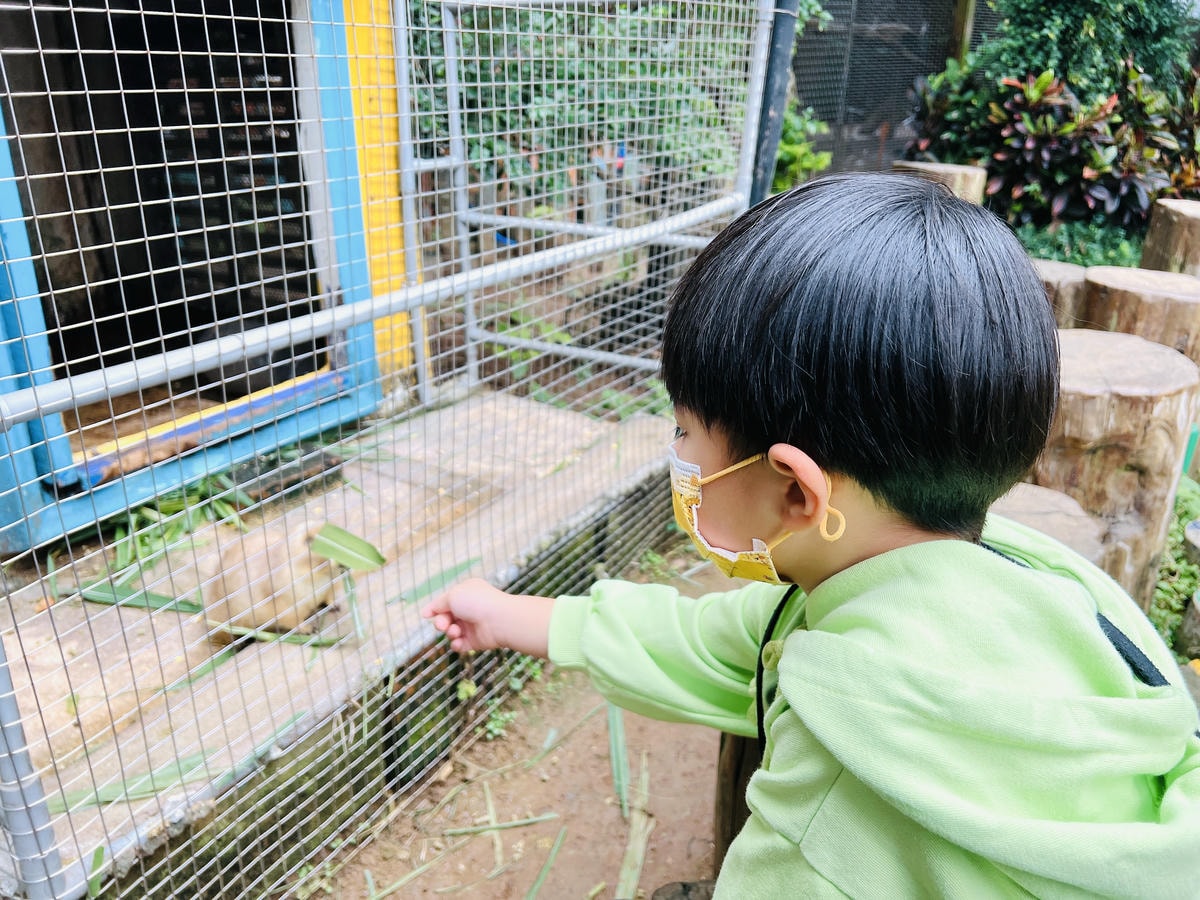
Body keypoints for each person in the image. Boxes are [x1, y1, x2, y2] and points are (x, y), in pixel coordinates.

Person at [422, 173, 1200, 898]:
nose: (677, 452)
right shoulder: (1043, 580)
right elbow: (716, 642)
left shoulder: (834, 799)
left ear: (797, 490)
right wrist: (509, 616)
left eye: (685, 430)